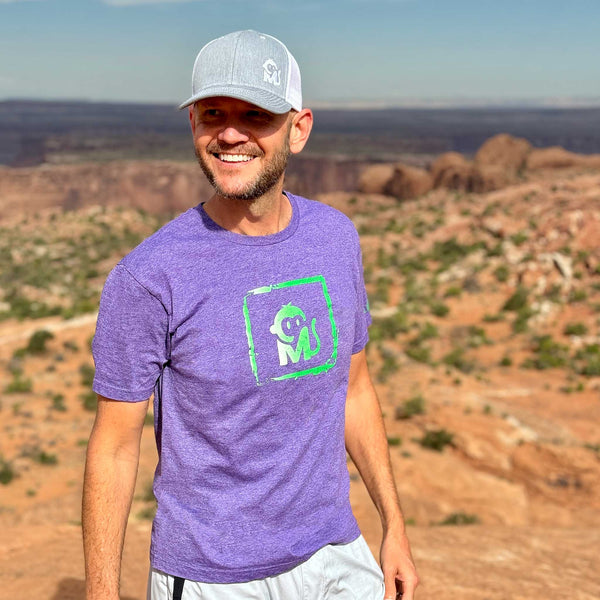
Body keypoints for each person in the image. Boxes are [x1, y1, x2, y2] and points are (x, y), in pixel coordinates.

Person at [82, 30, 418, 600]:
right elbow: (115, 445)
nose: (231, 133)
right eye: (213, 112)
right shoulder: (147, 276)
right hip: (214, 577)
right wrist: (100, 592)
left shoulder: (335, 239)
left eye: (256, 114)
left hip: (335, 554)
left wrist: (394, 526)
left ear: (299, 127)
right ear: (193, 125)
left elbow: (354, 388)